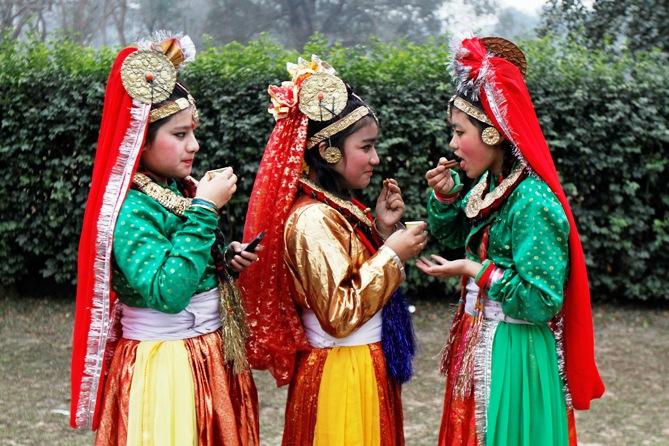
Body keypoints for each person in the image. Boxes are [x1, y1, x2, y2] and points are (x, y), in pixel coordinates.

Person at [69, 33, 259, 445]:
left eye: (192, 131)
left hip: (204, 354)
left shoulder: (173, 190)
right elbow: (168, 292)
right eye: (178, 134)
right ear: (141, 138)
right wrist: (206, 210)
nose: (193, 144)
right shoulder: (131, 209)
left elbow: (185, 263)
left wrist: (224, 260)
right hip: (166, 364)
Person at [416, 36, 605, 445]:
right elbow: (452, 234)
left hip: (515, 353)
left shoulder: (532, 201)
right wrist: (447, 195)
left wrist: (474, 270)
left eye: (458, 131)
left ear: (491, 135)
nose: (451, 144)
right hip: (480, 337)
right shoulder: (490, 184)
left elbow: (541, 300)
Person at [237, 56, 427, 445]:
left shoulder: (334, 208)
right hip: (342, 374)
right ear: (328, 151)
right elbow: (339, 314)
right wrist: (391, 254)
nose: (375, 158)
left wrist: (381, 229)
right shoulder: (311, 220)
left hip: (360, 366)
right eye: (366, 147)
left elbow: (351, 272)